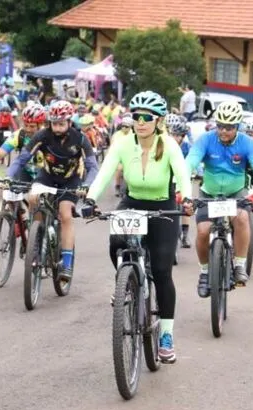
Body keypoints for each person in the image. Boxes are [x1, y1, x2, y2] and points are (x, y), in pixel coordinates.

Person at [82, 91, 191, 362]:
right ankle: (126, 283)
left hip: (162, 207)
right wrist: (90, 198)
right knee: (116, 242)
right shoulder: (121, 142)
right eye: (136, 117)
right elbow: (106, 172)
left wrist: (187, 198)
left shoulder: (169, 145)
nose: (140, 122)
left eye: (147, 117)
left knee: (163, 271)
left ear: (158, 120)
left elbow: (182, 174)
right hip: (132, 202)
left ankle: (166, 334)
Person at [185, 100, 253, 296]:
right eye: (220, 126)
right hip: (209, 193)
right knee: (203, 231)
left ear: (238, 126)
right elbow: (189, 162)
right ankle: (205, 272)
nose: (224, 131)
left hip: (236, 192)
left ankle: (240, 265)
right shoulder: (206, 139)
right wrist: (182, 187)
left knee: (241, 219)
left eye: (229, 127)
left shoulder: (247, 143)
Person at [10, 100, 99, 281]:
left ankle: (66, 262)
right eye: (54, 124)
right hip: (47, 176)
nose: (57, 128)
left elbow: (92, 167)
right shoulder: (43, 135)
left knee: (65, 214)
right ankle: (36, 239)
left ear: (69, 122)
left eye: (61, 124)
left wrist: (86, 185)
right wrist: (10, 177)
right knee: (33, 197)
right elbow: (22, 159)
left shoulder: (80, 139)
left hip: (70, 180)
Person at [0, 104, 46, 183]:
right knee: (10, 188)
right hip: (26, 171)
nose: (28, 129)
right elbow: (0, 153)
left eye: (32, 126)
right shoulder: (20, 134)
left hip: (45, 174)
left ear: (40, 125)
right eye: (25, 125)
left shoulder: (48, 136)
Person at [166, 114, 193, 248]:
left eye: (179, 136)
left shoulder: (187, 147)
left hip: (183, 179)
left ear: (183, 136)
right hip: (168, 179)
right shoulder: (165, 144)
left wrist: (196, 172)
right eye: (173, 135)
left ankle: (185, 235)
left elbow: (194, 161)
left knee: (185, 205)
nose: (176, 138)